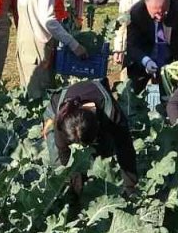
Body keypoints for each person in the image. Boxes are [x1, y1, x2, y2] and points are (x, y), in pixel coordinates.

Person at [43, 79, 138, 210]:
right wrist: (75, 191)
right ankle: (70, 200)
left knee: (104, 154)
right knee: (58, 165)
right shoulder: (62, 121)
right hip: (55, 113)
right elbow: (66, 160)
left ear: (98, 124)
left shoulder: (111, 113)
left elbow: (125, 149)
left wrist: (130, 188)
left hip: (98, 110)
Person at [16, 0, 87, 99]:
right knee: (41, 100)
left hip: (24, 45)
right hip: (38, 48)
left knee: (28, 97)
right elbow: (48, 21)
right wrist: (74, 45)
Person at [124, 0, 178, 93]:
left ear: (169, 2)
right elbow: (132, 44)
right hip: (145, 57)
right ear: (146, 5)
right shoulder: (136, 12)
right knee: (135, 94)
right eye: (155, 14)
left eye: (164, 12)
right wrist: (145, 61)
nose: (160, 17)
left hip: (174, 59)